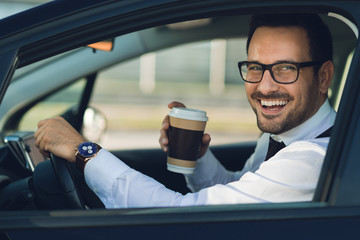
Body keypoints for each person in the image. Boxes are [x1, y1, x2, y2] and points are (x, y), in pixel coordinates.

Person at [34, 13, 336, 208]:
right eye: (256, 67)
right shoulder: (281, 136)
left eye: (285, 68)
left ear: (323, 77)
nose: (265, 86)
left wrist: (84, 151)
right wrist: (197, 157)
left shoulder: (312, 161)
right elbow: (238, 195)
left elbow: (180, 216)